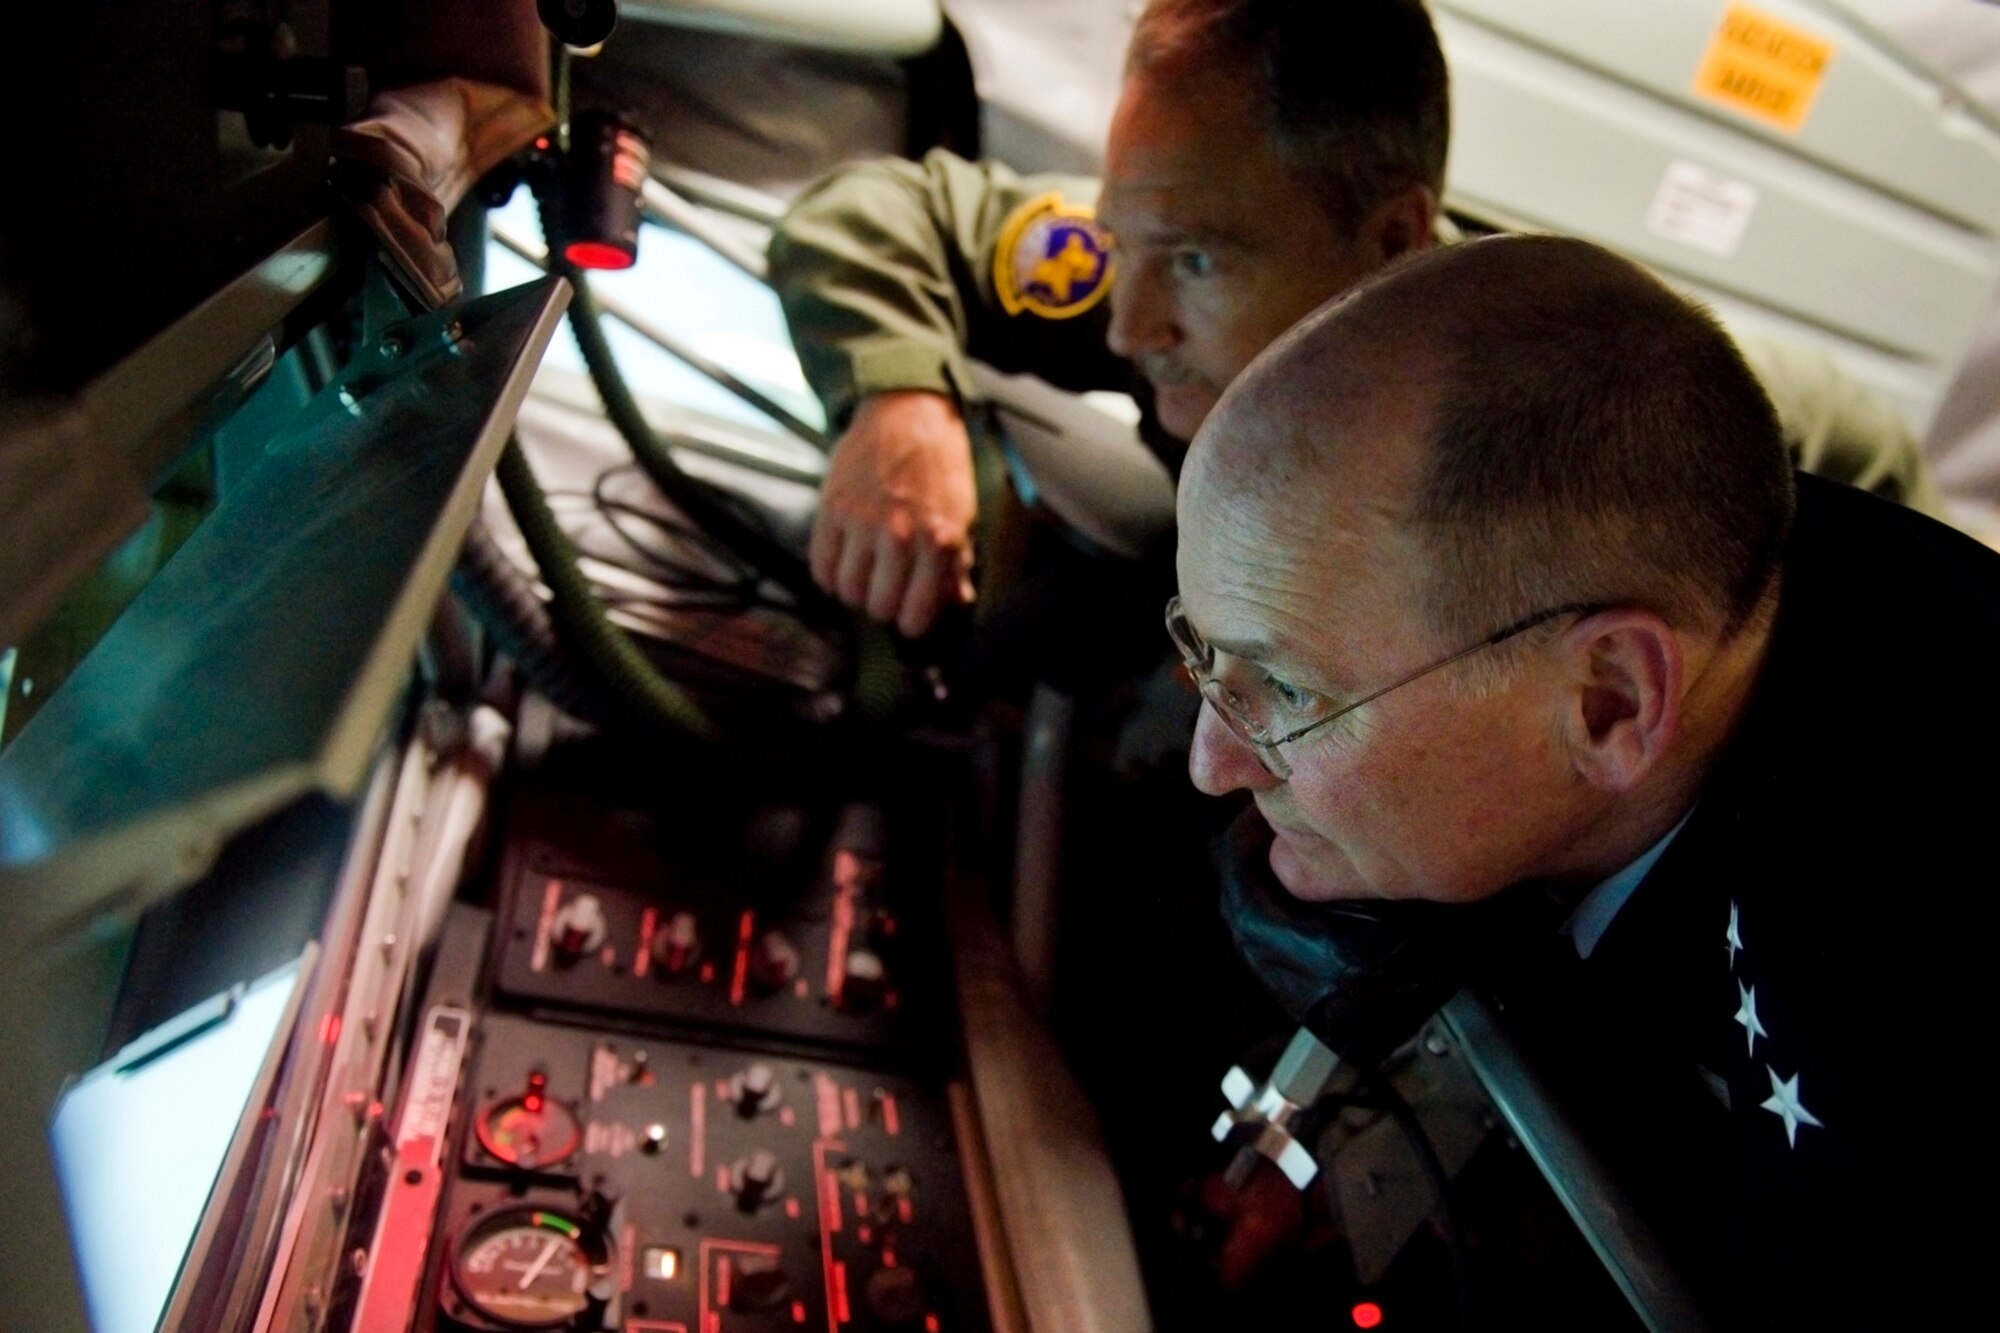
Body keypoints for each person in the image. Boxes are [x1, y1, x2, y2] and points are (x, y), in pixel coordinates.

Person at [1176, 232, 1999, 1325]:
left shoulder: (1904, 1031)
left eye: (1280, 690)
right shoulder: (1687, 556)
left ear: (1606, 702)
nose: (1210, 761)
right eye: (1201, 653)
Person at [768, 0, 1940, 638]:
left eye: (1191, 259)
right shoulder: (1164, 260)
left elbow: (1848, 440)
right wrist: (898, 397)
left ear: (1390, 242)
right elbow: (876, 208)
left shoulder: (1559, 410)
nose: (1125, 324)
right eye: (1123, 241)